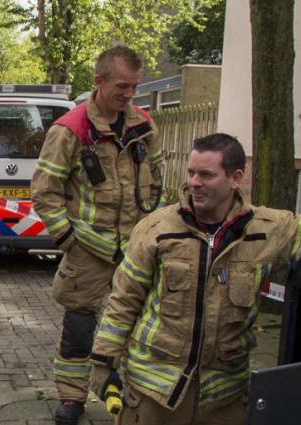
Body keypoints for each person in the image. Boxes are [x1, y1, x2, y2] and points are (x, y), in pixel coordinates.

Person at [90, 133, 301, 425]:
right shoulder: (156, 228)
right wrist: (104, 362)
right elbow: (123, 301)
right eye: (191, 172)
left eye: (206, 174)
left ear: (236, 177)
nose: (194, 182)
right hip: (154, 394)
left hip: (224, 398)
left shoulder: (270, 230)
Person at [30, 45, 163, 425]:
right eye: (122, 86)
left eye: (134, 87)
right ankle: (72, 398)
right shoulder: (70, 130)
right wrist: (68, 241)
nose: (129, 95)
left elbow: (156, 179)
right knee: (79, 327)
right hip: (88, 250)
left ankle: (124, 388)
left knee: (137, 324)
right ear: (99, 81)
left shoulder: (143, 126)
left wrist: (150, 229)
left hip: (136, 249)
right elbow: (44, 191)